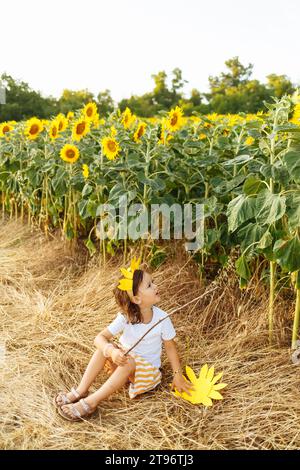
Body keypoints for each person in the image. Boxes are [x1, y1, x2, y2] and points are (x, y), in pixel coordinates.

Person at [55, 257, 194, 421]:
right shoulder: (125, 317)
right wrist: (111, 351)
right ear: (136, 299)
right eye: (150, 285)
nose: (156, 286)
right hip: (123, 361)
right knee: (103, 349)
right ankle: (81, 390)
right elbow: (99, 338)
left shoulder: (162, 319)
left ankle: (91, 402)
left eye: (153, 282)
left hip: (146, 372)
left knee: (129, 362)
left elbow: (170, 348)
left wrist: (178, 374)